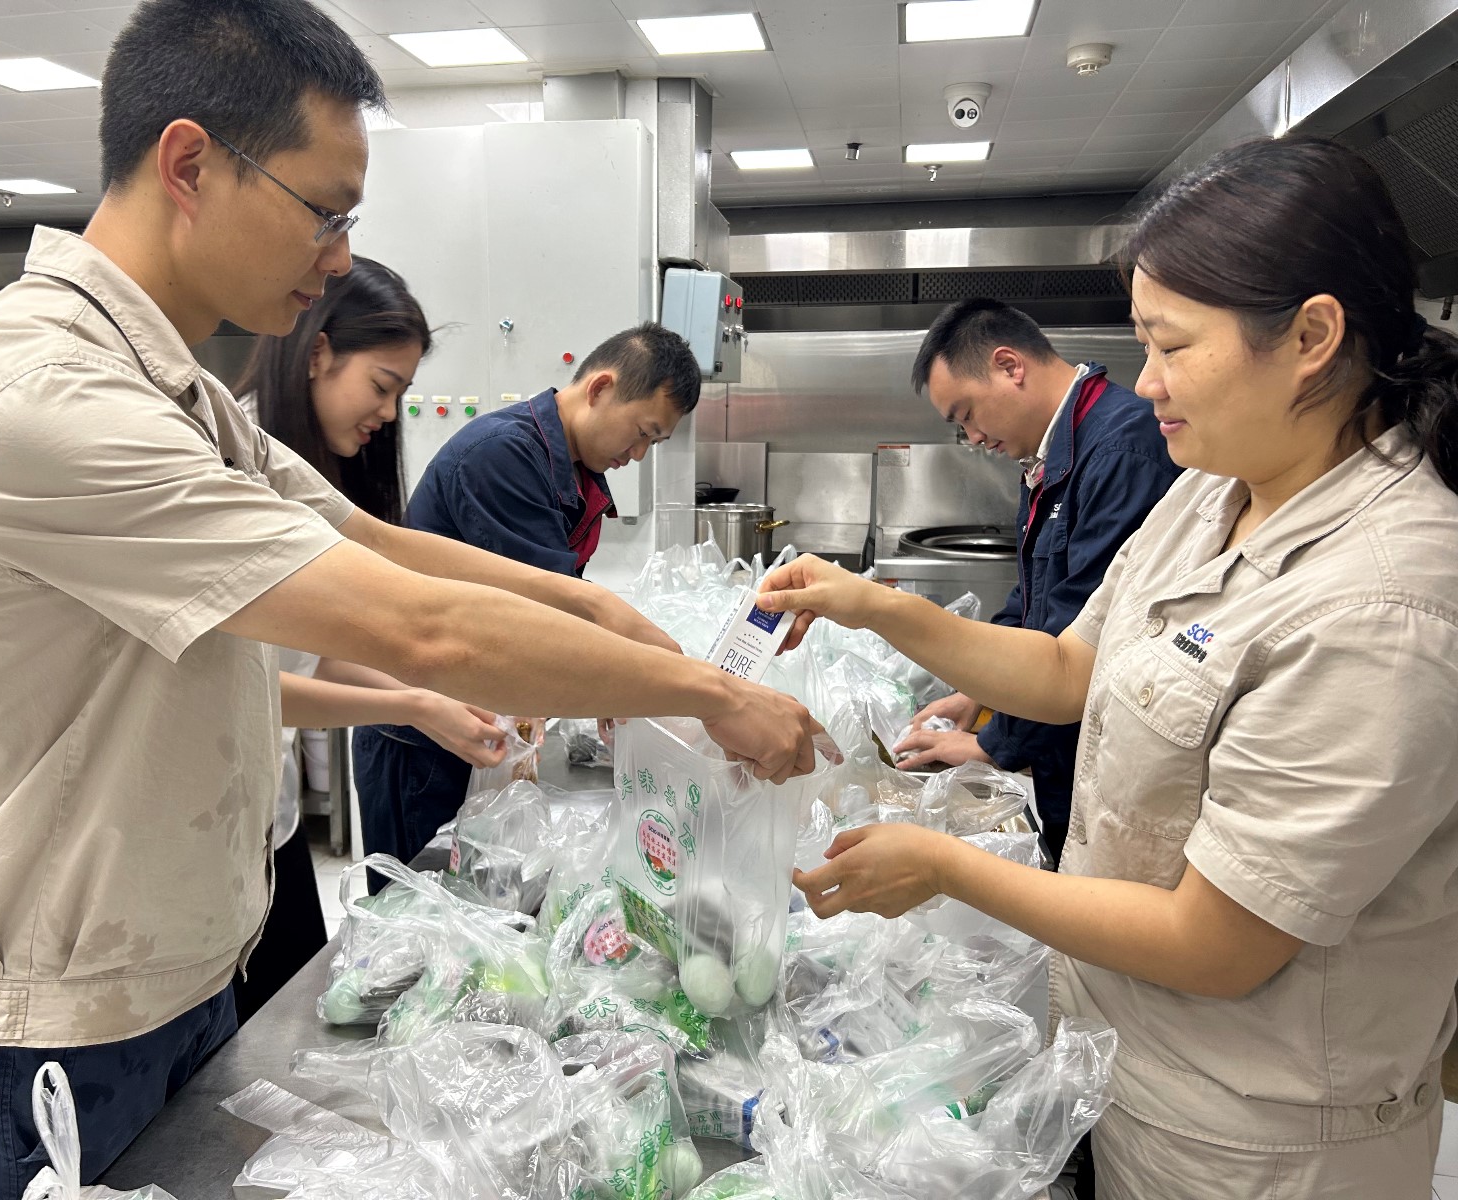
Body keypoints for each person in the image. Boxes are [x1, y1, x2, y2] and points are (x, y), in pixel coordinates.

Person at [0, 3, 818, 1197]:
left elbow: (379, 542)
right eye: (324, 212)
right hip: (43, 1035)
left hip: (171, 984)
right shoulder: (40, 397)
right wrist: (705, 693)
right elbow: (419, 626)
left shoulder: (179, 397)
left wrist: (604, 617)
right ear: (189, 166)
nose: (336, 258)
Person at [755, 135, 1458, 1199]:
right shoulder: (1213, 487)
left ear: (1312, 336)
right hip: (1134, 1066)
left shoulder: (1383, 604)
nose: (1148, 382)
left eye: (1171, 346)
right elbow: (1064, 668)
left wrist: (945, 867)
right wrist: (871, 605)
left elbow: (1216, 942)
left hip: (1257, 1137)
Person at [229, 256, 509, 1022]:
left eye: (400, 394)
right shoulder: (233, 469)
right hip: (215, 833)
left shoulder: (305, 468)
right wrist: (418, 700)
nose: (388, 413)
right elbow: (249, 687)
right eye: (381, 386)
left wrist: (435, 697)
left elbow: (320, 650)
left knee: (292, 1018)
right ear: (317, 352)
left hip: (270, 818)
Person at [353, 323, 701, 867]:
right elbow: (551, 608)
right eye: (641, 432)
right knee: (416, 901)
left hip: (474, 716)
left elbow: (558, 602)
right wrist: (646, 683)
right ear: (601, 388)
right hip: (423, 740)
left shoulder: (574, 469)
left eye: (652, 444)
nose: (637, 455)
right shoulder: (503, 455)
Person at [891, 298, 1180, 861]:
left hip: (1099, 760)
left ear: (1009, 366)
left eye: (967, 414)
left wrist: (993, 745)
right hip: (1059, 757)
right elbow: (1032, 601)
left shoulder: (1122, 452)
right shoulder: (1054, 453)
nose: (973, 437)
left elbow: (1082, 641)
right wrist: (977, 691)